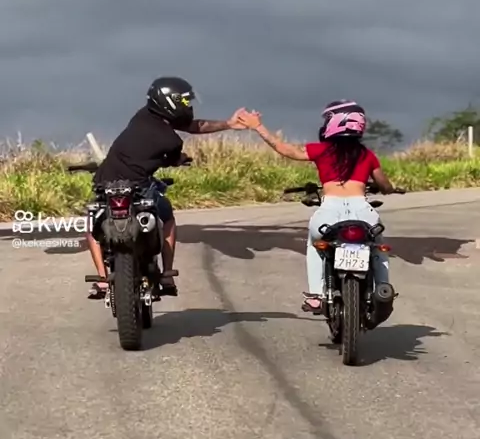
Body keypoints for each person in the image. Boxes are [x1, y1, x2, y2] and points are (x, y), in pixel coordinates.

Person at [86, 76, 246, 299]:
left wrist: (228, 124)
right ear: (172, 103)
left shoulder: (142, 115)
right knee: (167, 216)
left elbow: (193, 126)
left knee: (93, 225)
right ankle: (167, 275)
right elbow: (176, 152)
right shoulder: (172, 141)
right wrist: (180, 158)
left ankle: (102, 280)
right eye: (185, 101)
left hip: (105, 183)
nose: (188, 106)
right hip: (138, 187)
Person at [235, 101, 397, 314]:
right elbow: (384, 185)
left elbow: (286, 149)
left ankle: (316, 295)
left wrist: (258, 126)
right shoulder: (367, 155)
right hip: (363, 212)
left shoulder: (322, 150)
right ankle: (383, 289)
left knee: (315, 246)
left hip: (329, 212)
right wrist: (389, 189)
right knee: (377, 247)